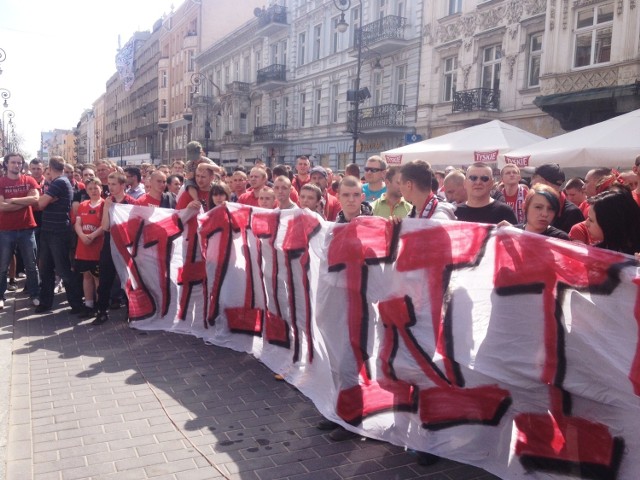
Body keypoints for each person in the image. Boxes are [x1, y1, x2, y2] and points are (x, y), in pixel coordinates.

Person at [35, 156, 84, 314]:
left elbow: (40, 204)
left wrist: (46, 199)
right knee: (46, 269)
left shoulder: (59, 182)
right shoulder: (61, 182)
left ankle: (77, 305)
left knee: (63, 270)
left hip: (57, 232)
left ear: (49, 168)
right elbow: (43, 202)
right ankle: (45, 302)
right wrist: (48, 199)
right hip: (50, 230)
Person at [92, 172, 139, 325]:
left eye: (114, 184)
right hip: (109, 243)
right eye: (109, 184)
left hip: (126, 244)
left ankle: (131, 310)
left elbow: (134, 225)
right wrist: (107, 208)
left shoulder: (131, 202)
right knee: (105, 278)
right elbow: (105, 226)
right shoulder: (108, 202)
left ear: (123, 185)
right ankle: (102, 311)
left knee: (128, 278)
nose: (110, 187)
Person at [0, 153, 41, 309]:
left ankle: (35, 294)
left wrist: (14, 200)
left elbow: (35, 199)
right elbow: (1, 206)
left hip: (27, 228)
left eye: (19, 163)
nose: (16, 165)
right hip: (5, 229)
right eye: (13, 163)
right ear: (6, 164)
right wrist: (25, 202)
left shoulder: (28, 180)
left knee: (31, 265)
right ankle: (1, 295)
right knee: (3, 266)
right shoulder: (1, 182)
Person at [74, 178, 105, 317]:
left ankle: (100, 305)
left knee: (98, 278)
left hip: (97, 247)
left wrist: (92, 236)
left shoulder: (105, 204)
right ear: (86, 190)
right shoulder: (83, 204)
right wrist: (81, 235)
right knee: (86, 276)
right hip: (83, 247)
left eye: (96, 188)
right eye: (90, 188)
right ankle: (89, 304)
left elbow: (105, 226)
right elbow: (77, 223)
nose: (93, 191)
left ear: (101, 189)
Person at [530, 163, 583, 233]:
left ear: (543, 183)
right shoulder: (532, 205)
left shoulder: (572, 213)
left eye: (534, 178)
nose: (531, 183)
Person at [586, 187, 640, 255]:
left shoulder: (635, 257)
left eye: (591, 220)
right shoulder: (597, 251)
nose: (586, 224)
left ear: (609, 223)